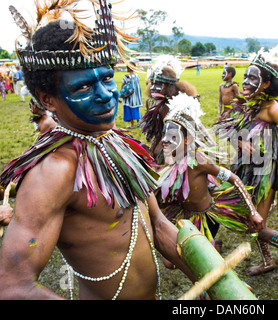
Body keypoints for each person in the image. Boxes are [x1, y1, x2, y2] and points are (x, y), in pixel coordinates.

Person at [0, 1, 195, 300]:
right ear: (47, 99)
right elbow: (12, 285)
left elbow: (157, 224)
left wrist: (213, 278)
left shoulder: (117, 143)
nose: (106, 96)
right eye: (83, 88)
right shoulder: (54, 172)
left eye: (106, 78)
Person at [214, 49, 278, 276]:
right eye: (245, 77)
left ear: (266, 84)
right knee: (254, 221)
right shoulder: (249, 104)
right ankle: (268, 261)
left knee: (257, 225)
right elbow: (231, 133)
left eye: (253, 78)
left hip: (266, 173)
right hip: (248, 169)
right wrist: (241, 144)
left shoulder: (272, 108)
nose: (246, 82)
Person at [155, 93, 263, 254]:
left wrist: (253, 212)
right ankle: (214, 246)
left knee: (195, 257)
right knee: (171, 261)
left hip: (206, 218)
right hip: (186, 217)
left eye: (172, 135)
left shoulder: (199, 160)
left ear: (187, 140)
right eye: (164, 134)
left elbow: (233, 178)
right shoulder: (169, 160)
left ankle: (211, 247)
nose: (164, 139)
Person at [139, 55, 199, 163]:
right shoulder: (151, 102)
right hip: (162, 139)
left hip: (176, 144)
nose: (153, 88)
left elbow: (192, 129)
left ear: (169, 86)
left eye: (159, 84)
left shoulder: (175, 105)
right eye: (152, 83)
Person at [122, 63, 142, 129]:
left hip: (129, 97)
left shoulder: (126, 76)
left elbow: (123, 86)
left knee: (130, 110)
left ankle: (132, 125)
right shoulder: (137, 76)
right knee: (136, 109)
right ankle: (139, 123)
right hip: (136, 97)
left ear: (129, 68)